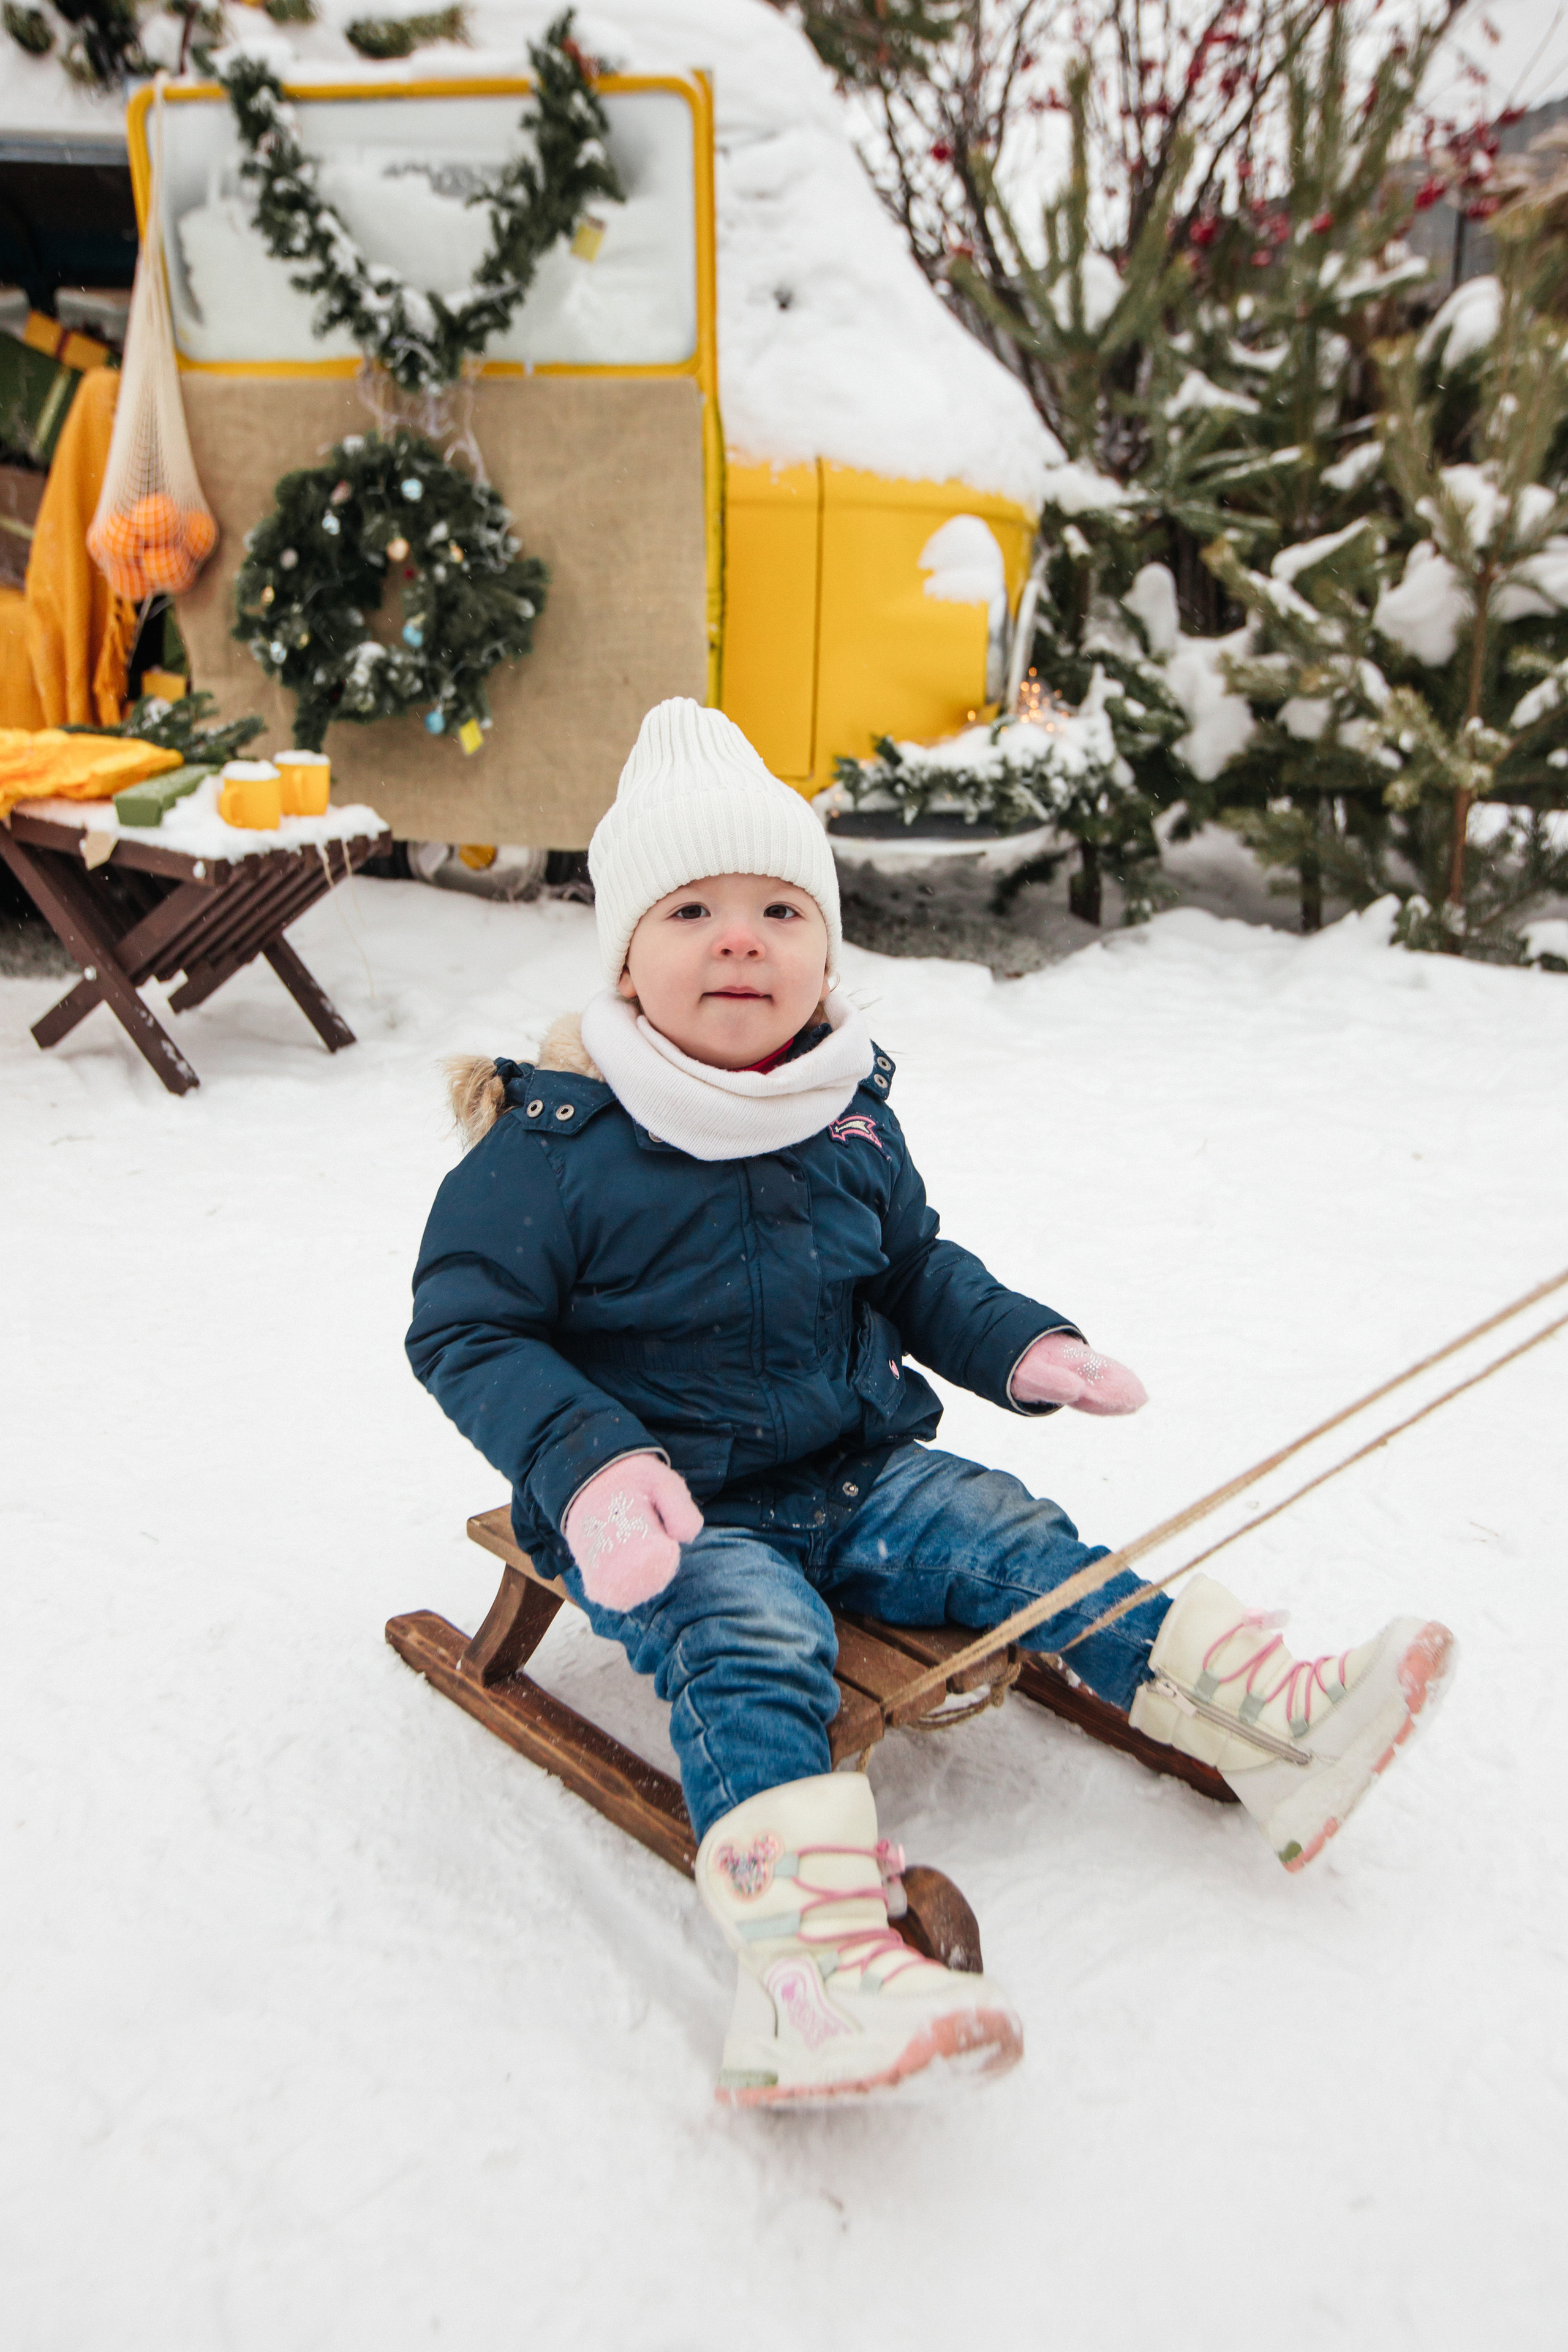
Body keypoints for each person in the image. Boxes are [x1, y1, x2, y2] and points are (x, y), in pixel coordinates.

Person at [407, 698, 1457, 2108]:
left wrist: (1023, 1346)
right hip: (671, 1511)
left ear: (824, 950)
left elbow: (908, 1268)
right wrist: (591, 1467)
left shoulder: (842, 1111)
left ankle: (1272, 1730)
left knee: (1014, 1534)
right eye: (693, 910)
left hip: (855, 1465)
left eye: (781, 908)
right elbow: (466, 1327)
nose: (741, 938)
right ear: (623, 957)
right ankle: (810, 1976)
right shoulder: (556, 1145)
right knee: (752, 1637)